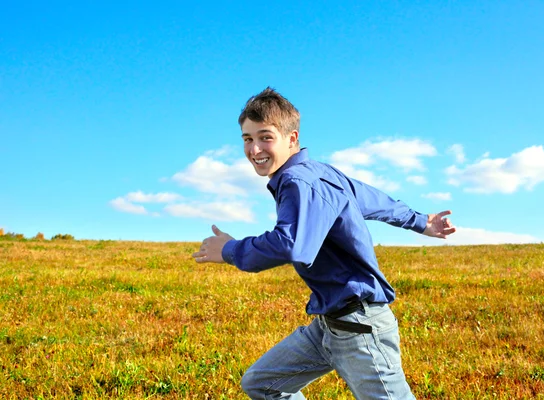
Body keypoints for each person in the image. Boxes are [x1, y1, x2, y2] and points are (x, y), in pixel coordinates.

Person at [192, 87, 456, 399]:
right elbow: (375, 200)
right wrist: (421, 221)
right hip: (329, 326)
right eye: (247, 139)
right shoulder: (319, 174)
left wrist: (230, 250)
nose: (254, 149)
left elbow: (290, 244)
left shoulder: (298, 182)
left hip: (360, 327)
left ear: (292, 139)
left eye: (265, 137)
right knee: (262, 384)